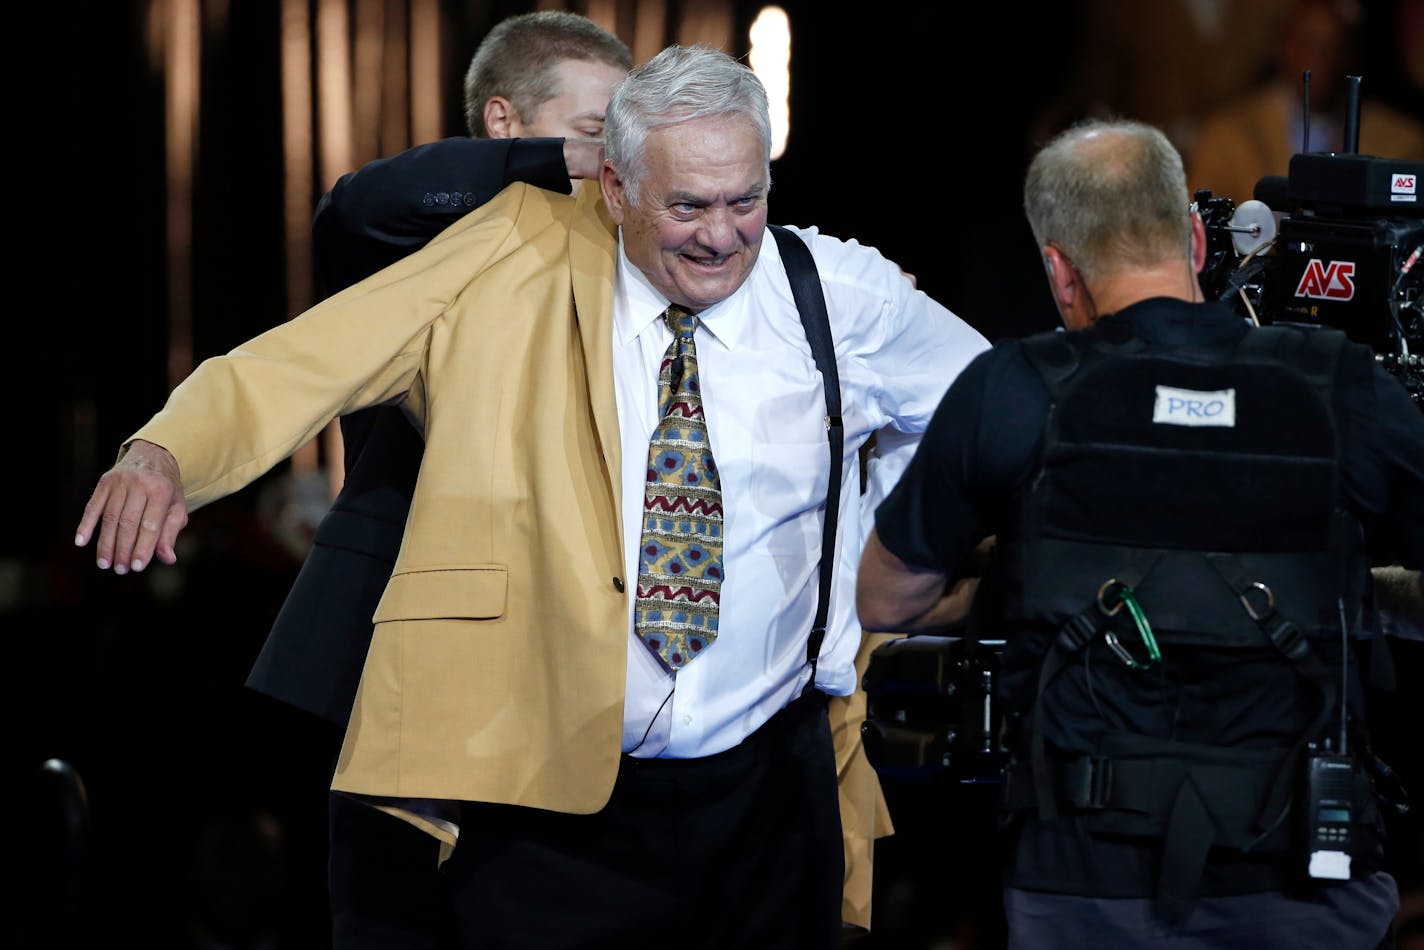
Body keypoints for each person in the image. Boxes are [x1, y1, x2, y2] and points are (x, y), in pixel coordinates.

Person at [75, 43, 990, 949]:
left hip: (772, 798)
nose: (721, 235)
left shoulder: (835, 292)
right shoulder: (511, 250)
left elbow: (994, 412)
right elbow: (296, 363)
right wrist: (164, 455)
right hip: (551, 795)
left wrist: (909, 550)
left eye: (744, 201)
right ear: (616, 188)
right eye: (687, 206)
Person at [857, 117, 1424, 947]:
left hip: (1084, 885)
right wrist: (1353, 595)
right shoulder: (1343, 387)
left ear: (1058, 269)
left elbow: (885, 597)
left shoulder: (1011, 391)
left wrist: (1022, 571)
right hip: (1305, 874)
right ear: (1196, 237)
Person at [232, 12, 632, 947]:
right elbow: (362, 198)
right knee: (395, 910)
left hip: (562, 648)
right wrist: (547, 166)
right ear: (504, 122)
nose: (615, 158)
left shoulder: (618, 253)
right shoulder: (404, 229)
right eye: (593, 132)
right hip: (401, 636)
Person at [1187, 0, 1424, 206]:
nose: (1321, 58)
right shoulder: (1227, 136)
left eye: (1334, 47)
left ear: (1352, 54)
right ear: (1282, 46)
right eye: (1308, 43)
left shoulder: (1401, 140)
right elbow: (1198, 221)